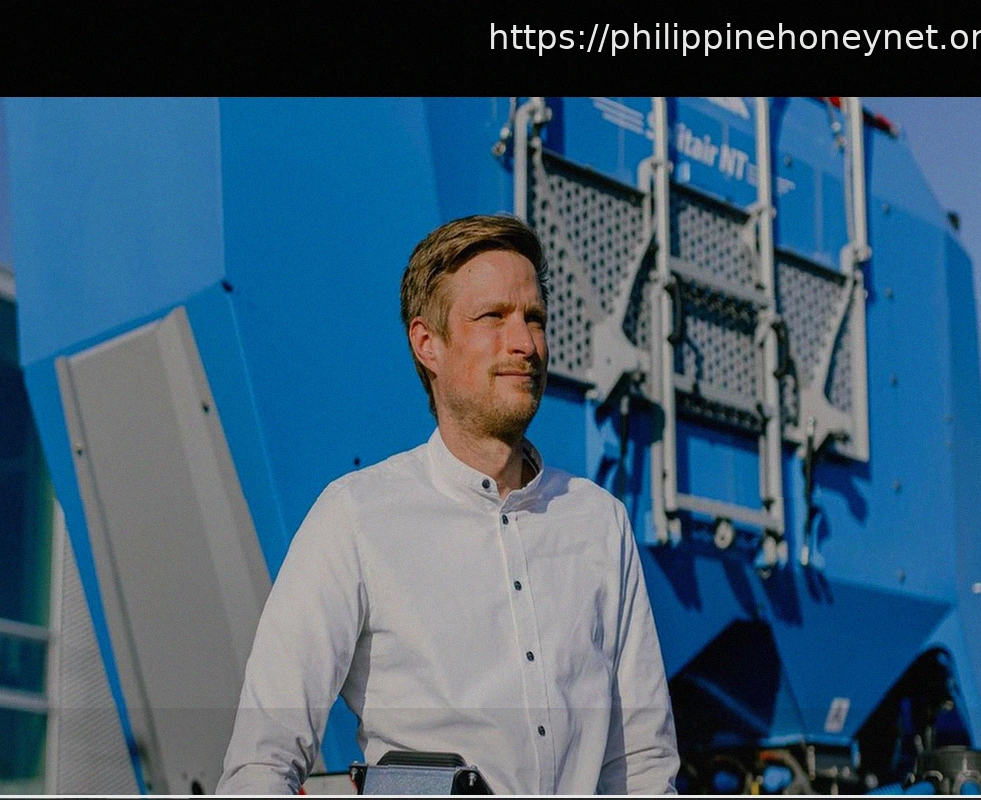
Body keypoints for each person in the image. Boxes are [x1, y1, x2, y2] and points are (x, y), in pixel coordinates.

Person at [216, 214, 679, 794]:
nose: (525, 343)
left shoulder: (599, 522)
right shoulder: (355, 519)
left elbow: (642, 765)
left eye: (534, 318)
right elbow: (261, 763)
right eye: (493, 317)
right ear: (426, 344)